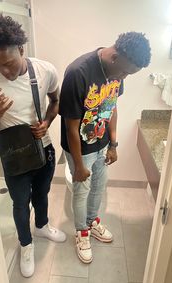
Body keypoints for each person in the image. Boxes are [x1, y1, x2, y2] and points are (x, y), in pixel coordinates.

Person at [0, 14, 66, 277]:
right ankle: (25, 244)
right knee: (19, 202)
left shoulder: (45, 70)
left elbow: (56, 102)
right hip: (14, 154)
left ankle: (42, 226)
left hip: (43, 146)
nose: (3, 71)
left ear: (22, 49)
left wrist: (47, 121)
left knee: (42, 193)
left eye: (8, 63)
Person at [59, 32, 151, 263]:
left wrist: (113, 143)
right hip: (80, 147)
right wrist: (78, 166)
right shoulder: (77, 73)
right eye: (125, 72)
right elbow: (70, 127)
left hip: (102, 144)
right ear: (114, 57)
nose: (124, 78)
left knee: (99, 186)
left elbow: (112, 107)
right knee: (81, 190)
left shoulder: (118, 73)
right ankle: (81, 232)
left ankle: (92, 222)